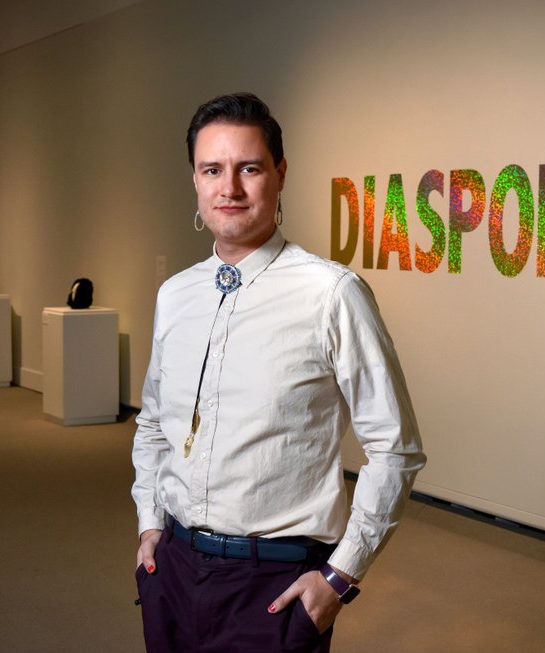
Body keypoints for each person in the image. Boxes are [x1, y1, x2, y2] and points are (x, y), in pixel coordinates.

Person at [131, 92, 426, 652]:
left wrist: (341, 577)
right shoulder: (176, 295)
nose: (230, 188)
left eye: (249, 168)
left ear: (280, 174)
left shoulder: (331, 295)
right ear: (194, 180)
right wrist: (150, 522)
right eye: (212, 169)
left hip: (272, 586)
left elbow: (395, 448)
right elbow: (152, 424)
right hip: (171, 571)